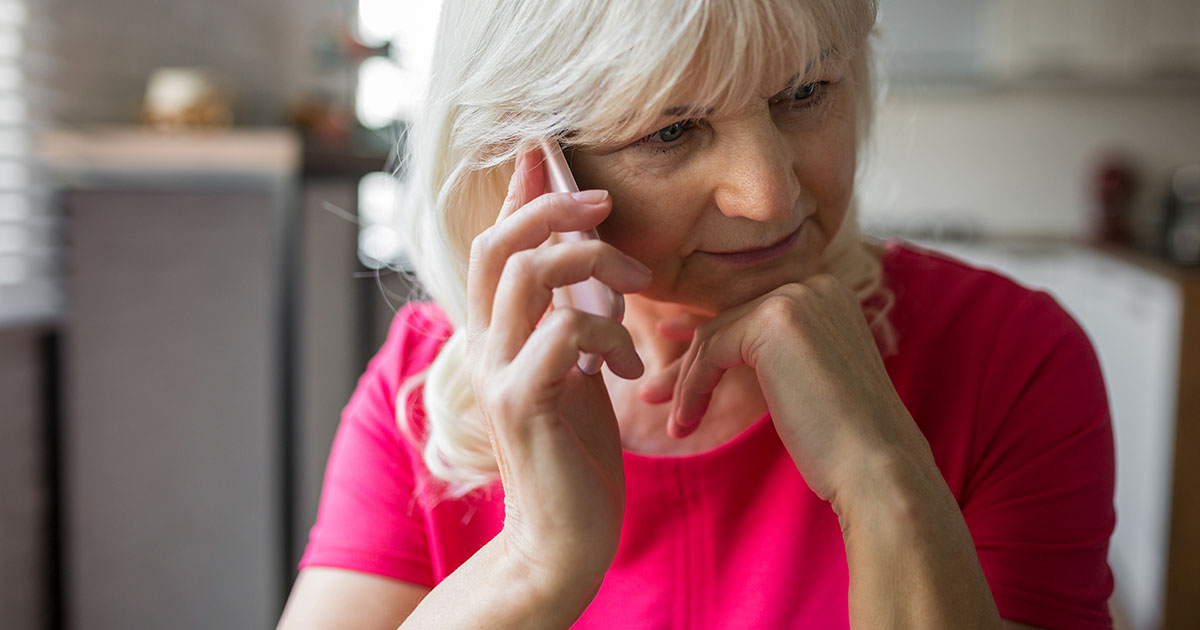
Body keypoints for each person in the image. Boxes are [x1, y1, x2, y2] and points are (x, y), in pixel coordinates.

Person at [278, 0, 1116, 628]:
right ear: (535, 167)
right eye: (671, 131)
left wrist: (884, 478)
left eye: (804, 92)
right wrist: (534, 565)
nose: (771, 195)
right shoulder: (422, 387)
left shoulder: (1013, 355)